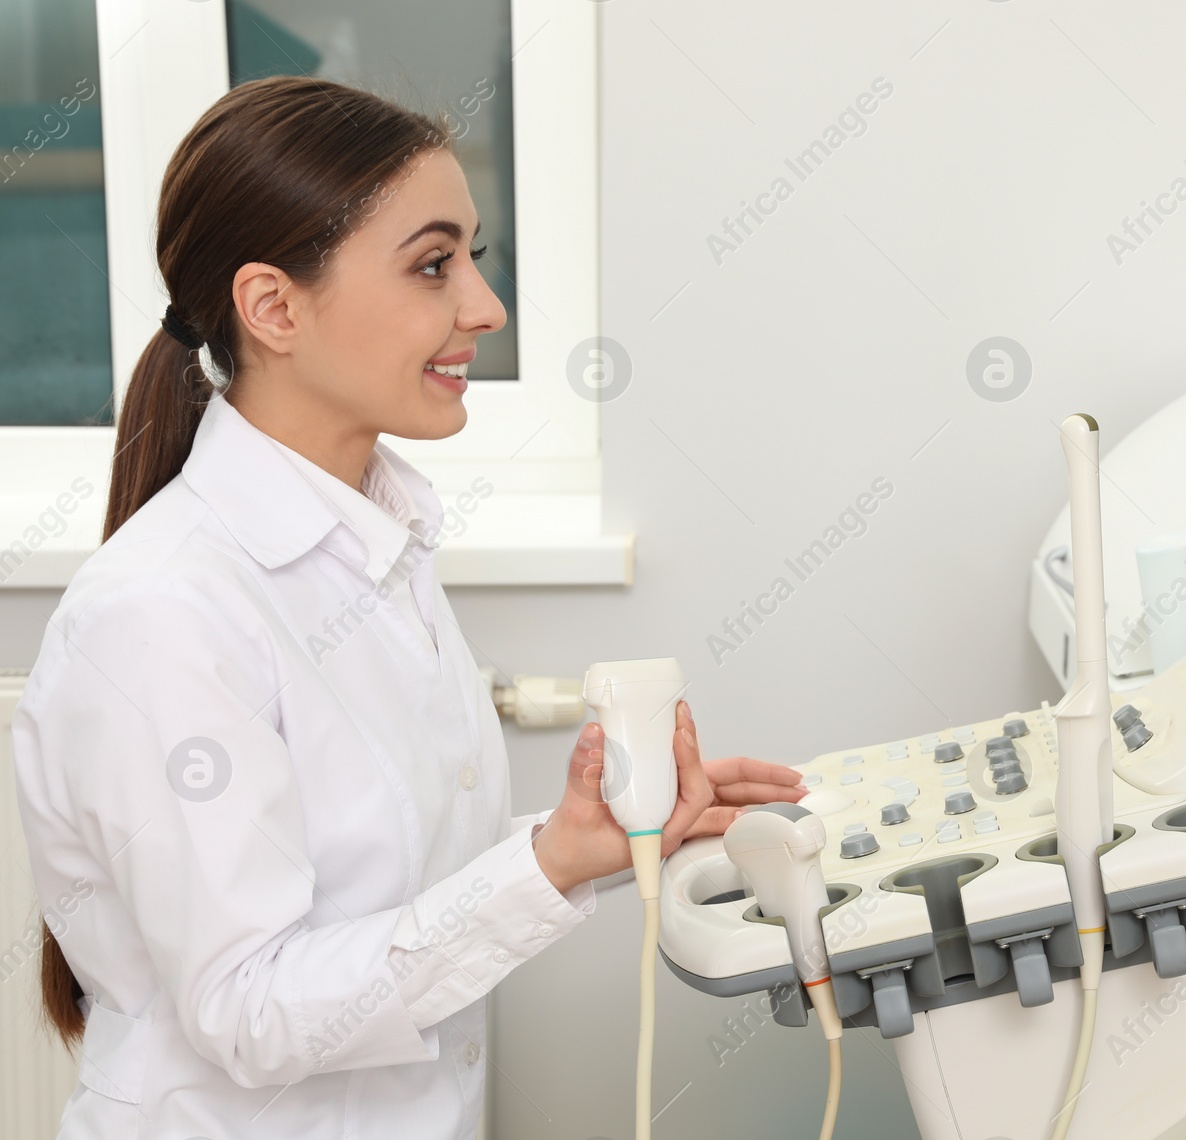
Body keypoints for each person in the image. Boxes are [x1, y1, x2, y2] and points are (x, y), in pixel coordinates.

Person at [10, 74, 803, 1139]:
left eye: (472, 257)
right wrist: (546, 865)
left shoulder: (376, 538)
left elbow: (391, 888)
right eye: (433, 265)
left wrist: (598, 839)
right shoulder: (162, 612)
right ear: (274, 307)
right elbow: (248, 1009)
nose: (484, 307)